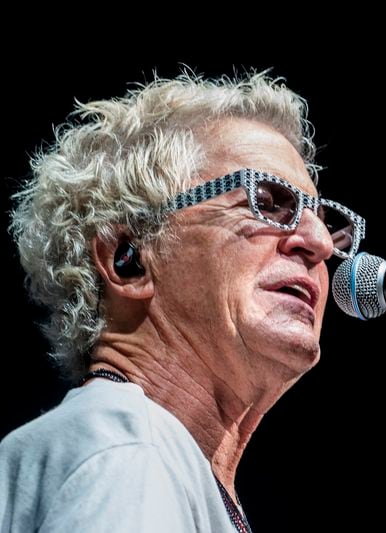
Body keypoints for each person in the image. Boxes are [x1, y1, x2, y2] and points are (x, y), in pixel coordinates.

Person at [0, 71, 365, 532]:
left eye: (323, 220)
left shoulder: (148, 454)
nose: (320, 244)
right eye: (268, 202)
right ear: (127, 260)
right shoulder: (128, 448)